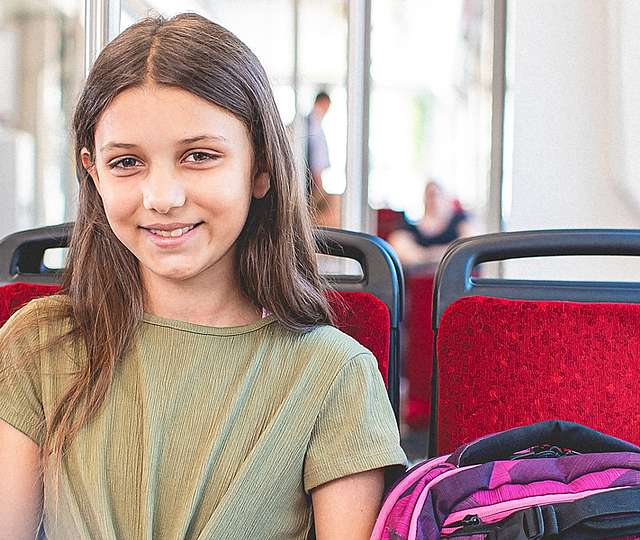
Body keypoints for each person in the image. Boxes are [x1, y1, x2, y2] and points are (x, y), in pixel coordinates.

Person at [0, 14, 405, 540]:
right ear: (93, 174)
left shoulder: (334, 375)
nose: (162, 197)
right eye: (126, 163)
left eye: (198, 156)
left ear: (260, 168)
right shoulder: (39, 344)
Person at [388, 180, 474, 269]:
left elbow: (470, 245)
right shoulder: (410, 227)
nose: (434, 200)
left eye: (437, 195)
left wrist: (429, 255)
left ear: (446, 198)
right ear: (424, 199)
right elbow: (398, 246)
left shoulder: (459, 220)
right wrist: (437, 255)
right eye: (430, 195)